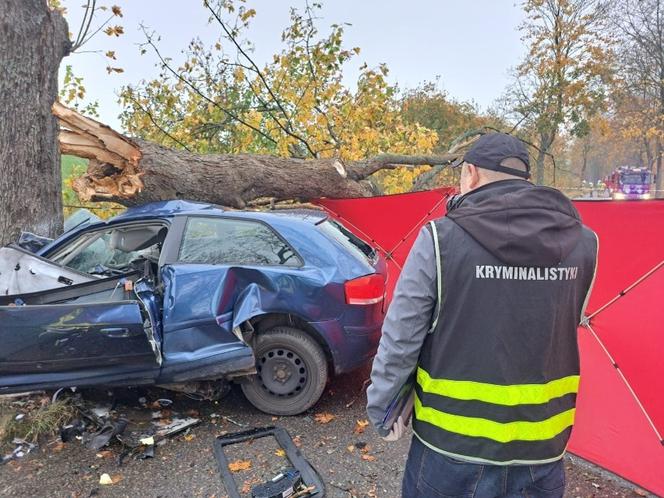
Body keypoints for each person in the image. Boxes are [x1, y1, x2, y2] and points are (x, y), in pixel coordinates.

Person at [366, 133, 598, 498]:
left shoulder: (440, 239)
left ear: (471, 174)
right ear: (525, 180)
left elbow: (401, 337)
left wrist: (383, 407)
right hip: (541, 453)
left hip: (449, 453)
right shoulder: (585, 244)